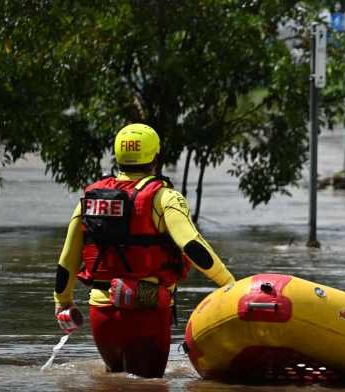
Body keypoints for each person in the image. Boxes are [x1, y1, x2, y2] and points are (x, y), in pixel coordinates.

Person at [53, 123, 236, 378]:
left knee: (113, 388)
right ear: (156, 157)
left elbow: (67, 259)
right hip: (147, 313)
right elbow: (192, 245)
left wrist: (62, 301)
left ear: (118, 157)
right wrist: (230, 284)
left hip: (101, 314)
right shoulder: (166, 198)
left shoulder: (91, 199)